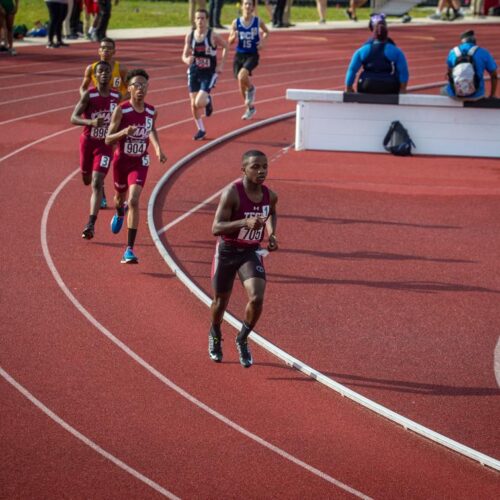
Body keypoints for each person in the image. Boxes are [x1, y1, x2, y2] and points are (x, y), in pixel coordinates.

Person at [209, 150, 278, 368]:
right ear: (244, 170)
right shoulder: (232, 193)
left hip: (250, 252)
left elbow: (271, 212)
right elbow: (216, 228)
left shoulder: (270, 195)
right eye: (256, 167)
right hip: (228, 251)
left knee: (257, 297)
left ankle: (242, 338)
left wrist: (272, 233)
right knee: (221, 301)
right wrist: (243, 223)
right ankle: (216, 331)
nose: (261, 171)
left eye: (264, 166)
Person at [105, 69, 167, 264]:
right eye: (137, 85)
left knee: (133, 200)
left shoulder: (151, 111)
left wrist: (157, 148)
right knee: (119, 199)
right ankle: (119, 212)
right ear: (130, 88)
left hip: (140, 162)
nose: (141, 89)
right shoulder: (121, 110)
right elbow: (107, 139)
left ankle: (129, 249)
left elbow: (151, 129)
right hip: (121, 162)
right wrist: (124, 132)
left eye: (144, 85)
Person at [70, 61, 120, 240]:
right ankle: (92, 178)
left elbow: (122, 119)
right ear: (95, 76)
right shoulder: (89, 96)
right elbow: (73, 117)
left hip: (104, 146)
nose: (105, 73)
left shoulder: (116, 96)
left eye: (107, 71)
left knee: (97, 182)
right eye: (101, 71)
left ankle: (90, 223)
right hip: (88, 142)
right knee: (86, 179)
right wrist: (90, 122)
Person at [81, 37, 128, 208]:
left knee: (117, 153)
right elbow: (83, 86)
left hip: (117, 116)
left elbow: (132, 87)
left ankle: (119, 189)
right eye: (103, 48)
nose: (106, 51)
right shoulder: (92, 69)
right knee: (101, 157)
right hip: (99, 117)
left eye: (109, 48)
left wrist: (120, 100)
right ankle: (101, 191)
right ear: (99, 51)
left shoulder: (120, 69)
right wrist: (84, 98)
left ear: (114, 51)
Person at [182, 8, 228, 141]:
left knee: (199, 102)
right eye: (198, 18)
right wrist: (187, 60)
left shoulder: (213, 35)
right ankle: (201, 129)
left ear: (207, 20)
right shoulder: (190, 36)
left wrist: (221, 64)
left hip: (208, 73)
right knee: (193, 104)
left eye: (203, 18)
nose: (200, 21)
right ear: (194, 20)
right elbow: (184, 55)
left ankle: (207, 101)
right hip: (194, 71)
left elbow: (226, 46)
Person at [228, 0, 269, 120]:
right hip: (239, 55)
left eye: (250, 4)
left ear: (253, 7)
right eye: (245, 3)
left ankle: (251, 88)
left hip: (252, 55)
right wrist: (233, 37)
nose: (247, 6)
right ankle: (249, 108)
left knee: (242, 77)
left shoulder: (257, 21)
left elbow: (266, 32)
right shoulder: (236, 23)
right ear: (242, 6)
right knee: (240, 83)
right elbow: (230, 41)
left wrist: (262, 42)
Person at [345, 20, 409, 94]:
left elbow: (352, 70)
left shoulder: (362, 50)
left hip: (366, 85)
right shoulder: (396, 51)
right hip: (388, 86)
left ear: (373, 35)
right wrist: (402, 89)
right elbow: (403, 71)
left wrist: (348, 88)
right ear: (386, 34)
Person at [443, 30, 497, 100]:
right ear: (474, 40)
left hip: (455, 94)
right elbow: (494, 75)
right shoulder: (483, 52)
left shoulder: (453, 52)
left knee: (443, 90)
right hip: (477, 95)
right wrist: (492, 95)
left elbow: (450, 73)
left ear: (462, 41)